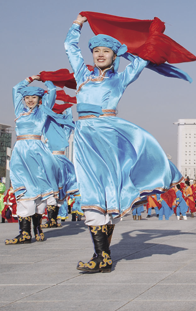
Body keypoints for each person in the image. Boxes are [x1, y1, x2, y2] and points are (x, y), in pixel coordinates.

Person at [65, 14, 183, 272]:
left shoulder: (119, 79)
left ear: (113, 56)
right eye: (96, 50)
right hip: (84, 137)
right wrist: (77, 25)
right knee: (92, 191)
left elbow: (141, 59)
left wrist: (154, 35)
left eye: (105, 51)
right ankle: (102, 255)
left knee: (108, 191)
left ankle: (102, 256)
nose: (100, 55)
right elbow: (70, 48)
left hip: (108, 136)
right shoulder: (82, 76)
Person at [5, 75, 59, 245]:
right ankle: (25, 233)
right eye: (27, 97)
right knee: (23, 189)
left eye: (33, 97)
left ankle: (37, 227)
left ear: (39, 99)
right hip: (20, 151)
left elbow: (52, 92)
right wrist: (29, 79)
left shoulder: (43, 111)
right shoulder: (19, 111)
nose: (29, 100)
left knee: (38, 189)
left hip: (36, 151)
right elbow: (15, 89)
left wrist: (45, 79)